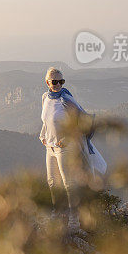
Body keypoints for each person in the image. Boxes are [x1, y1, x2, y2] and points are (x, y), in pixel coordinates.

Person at [39, 67, 93, 229]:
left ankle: (74, 220)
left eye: (61, 81)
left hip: (65, 147)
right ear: (47, 82)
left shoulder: (66, 100)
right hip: (50, 146)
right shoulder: (45, 98)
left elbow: (81, 122)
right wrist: (42, 135)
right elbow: (46, 120)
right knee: (52, 182)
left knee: (68, 183)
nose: (57, 85)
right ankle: (57, 214)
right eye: (54, 81)